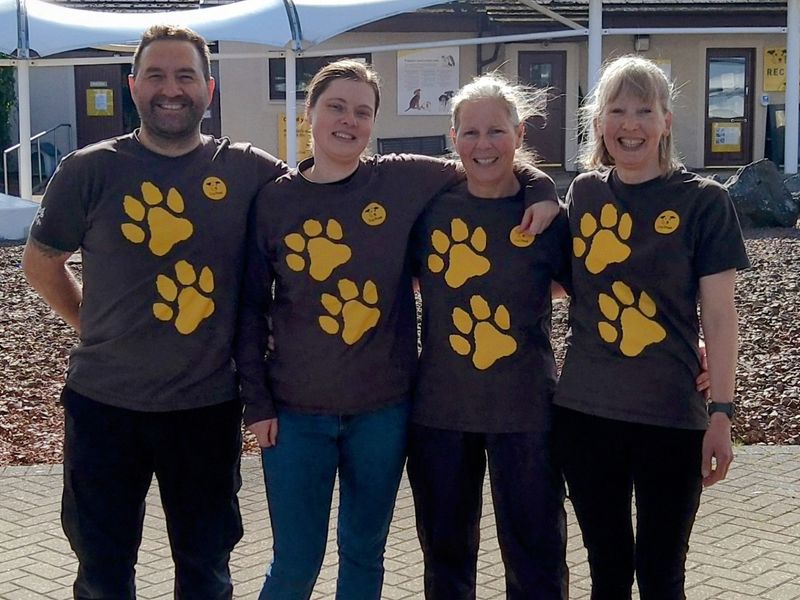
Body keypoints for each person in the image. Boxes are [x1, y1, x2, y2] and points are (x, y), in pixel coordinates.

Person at [235, 59, 557, 600]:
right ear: (309, 113)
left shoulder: (402, 177)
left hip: (382, 411)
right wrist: (257, 403)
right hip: (294, 413)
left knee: (365, 554)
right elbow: (248, 307)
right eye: (336, 106)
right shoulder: (274, 199)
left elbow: (488, 162)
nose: (348, 120)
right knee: (294, 561)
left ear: (374, 123)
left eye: (362, 111)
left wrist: (542, 186)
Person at [22, 25, 287, 600]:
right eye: (158, 75)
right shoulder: (88, 170)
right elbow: (42, 265)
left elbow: (336, 187)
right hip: (103, 408)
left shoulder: (250, 171)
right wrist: (90, 324)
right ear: (133, 85)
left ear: (208, 89)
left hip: (206, 409)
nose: (172, 89)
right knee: (102, 574)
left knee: (207, 573)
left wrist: (522, 177)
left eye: (186, 75)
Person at [553, 55, 749, 599]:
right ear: (598, 124)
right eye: (617, 110)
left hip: (671, 415)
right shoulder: (584, 194)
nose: (630, 124)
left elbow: (719, 314)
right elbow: (555, 282)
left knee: (663, 575)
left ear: (667, 121)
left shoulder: (704, 202)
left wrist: (723, 414)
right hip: (586, 412)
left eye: (645, 110)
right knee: (607, 573)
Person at [407, 74, 570, 599]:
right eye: (470, 132)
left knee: (536, 557)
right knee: (446, 557)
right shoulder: (427, 210)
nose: (483, 145)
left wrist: (685, 341)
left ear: (519, 134)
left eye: (496, 131)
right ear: (452, 138)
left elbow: (599, 295)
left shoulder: (547, 220)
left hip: (526, 411)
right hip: (440, 410)